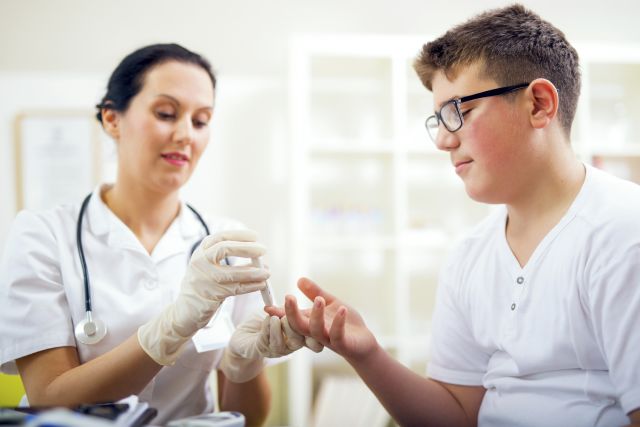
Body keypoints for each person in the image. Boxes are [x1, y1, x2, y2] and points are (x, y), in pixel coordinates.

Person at [267, 4, 640, 427]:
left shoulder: (625, 231)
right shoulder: (470, 254)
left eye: (458, 111)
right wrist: (365, 352)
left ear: (538, 104)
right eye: (439, 118)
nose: (444, 140)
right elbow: (458, 414)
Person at [0, 43, 306, 426]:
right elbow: (48, 397)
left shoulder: (227, 242)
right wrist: (171, 327)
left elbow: (248, 418)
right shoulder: (44, 235)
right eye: (166, 113)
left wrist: (245, 364)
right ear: (112, 119)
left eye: (201, 120)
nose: (185, 135)